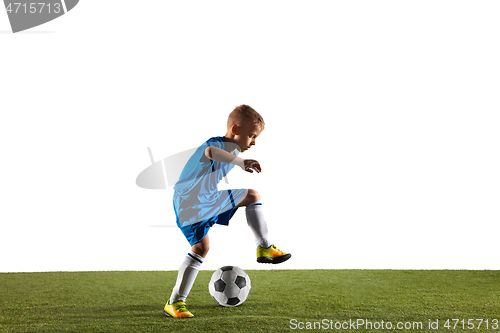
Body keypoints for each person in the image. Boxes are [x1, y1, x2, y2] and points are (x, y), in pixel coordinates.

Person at [164, 104, 291, 318]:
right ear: (235, 130)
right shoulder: (218, 144)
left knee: (252, 195)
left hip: (209, 198)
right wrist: (240, 162)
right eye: (251, 136)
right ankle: (175, 303)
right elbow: (210, 152)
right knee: (201, 248)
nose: (254, 142)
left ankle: (264, 248)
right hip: (189, 204)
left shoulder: (232, 149)